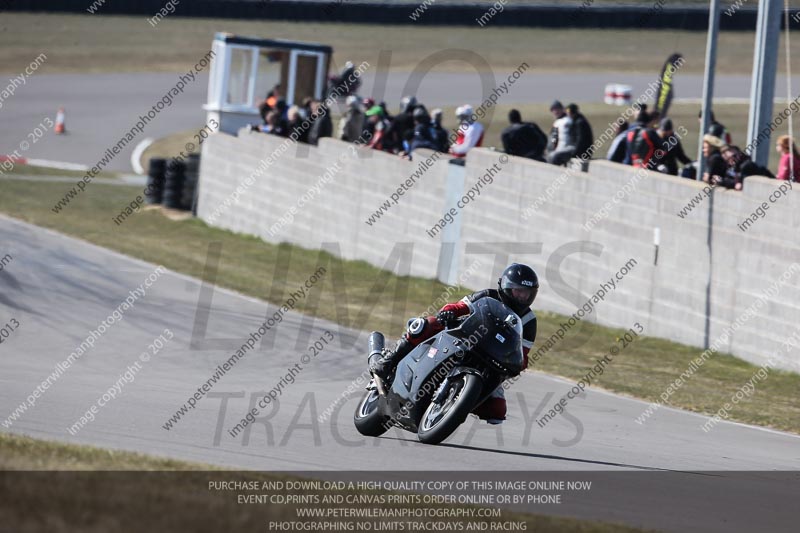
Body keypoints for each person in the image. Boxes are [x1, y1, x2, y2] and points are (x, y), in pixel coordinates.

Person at [370, 264, 539, 424]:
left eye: (527, 293)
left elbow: (522, 352)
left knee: (497, 411)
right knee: (428, 324)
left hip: (493, 359)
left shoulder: (529, 321)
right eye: (519, 291)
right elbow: (459, 306)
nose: (523, 297)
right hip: (464, 338)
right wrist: (448, 312)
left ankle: (455, 406)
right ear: (506, 287)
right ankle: (389, 360)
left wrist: (517, 364)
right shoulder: (487, 295)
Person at [546, 100, 574, 166]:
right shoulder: (569, 119)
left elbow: (553, 140)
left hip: (563, 151)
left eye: (557, 109)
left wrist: (549, 150)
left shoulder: (560, 122)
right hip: (566, 150)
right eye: (553, 110)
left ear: (562, 109)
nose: (555, 111)